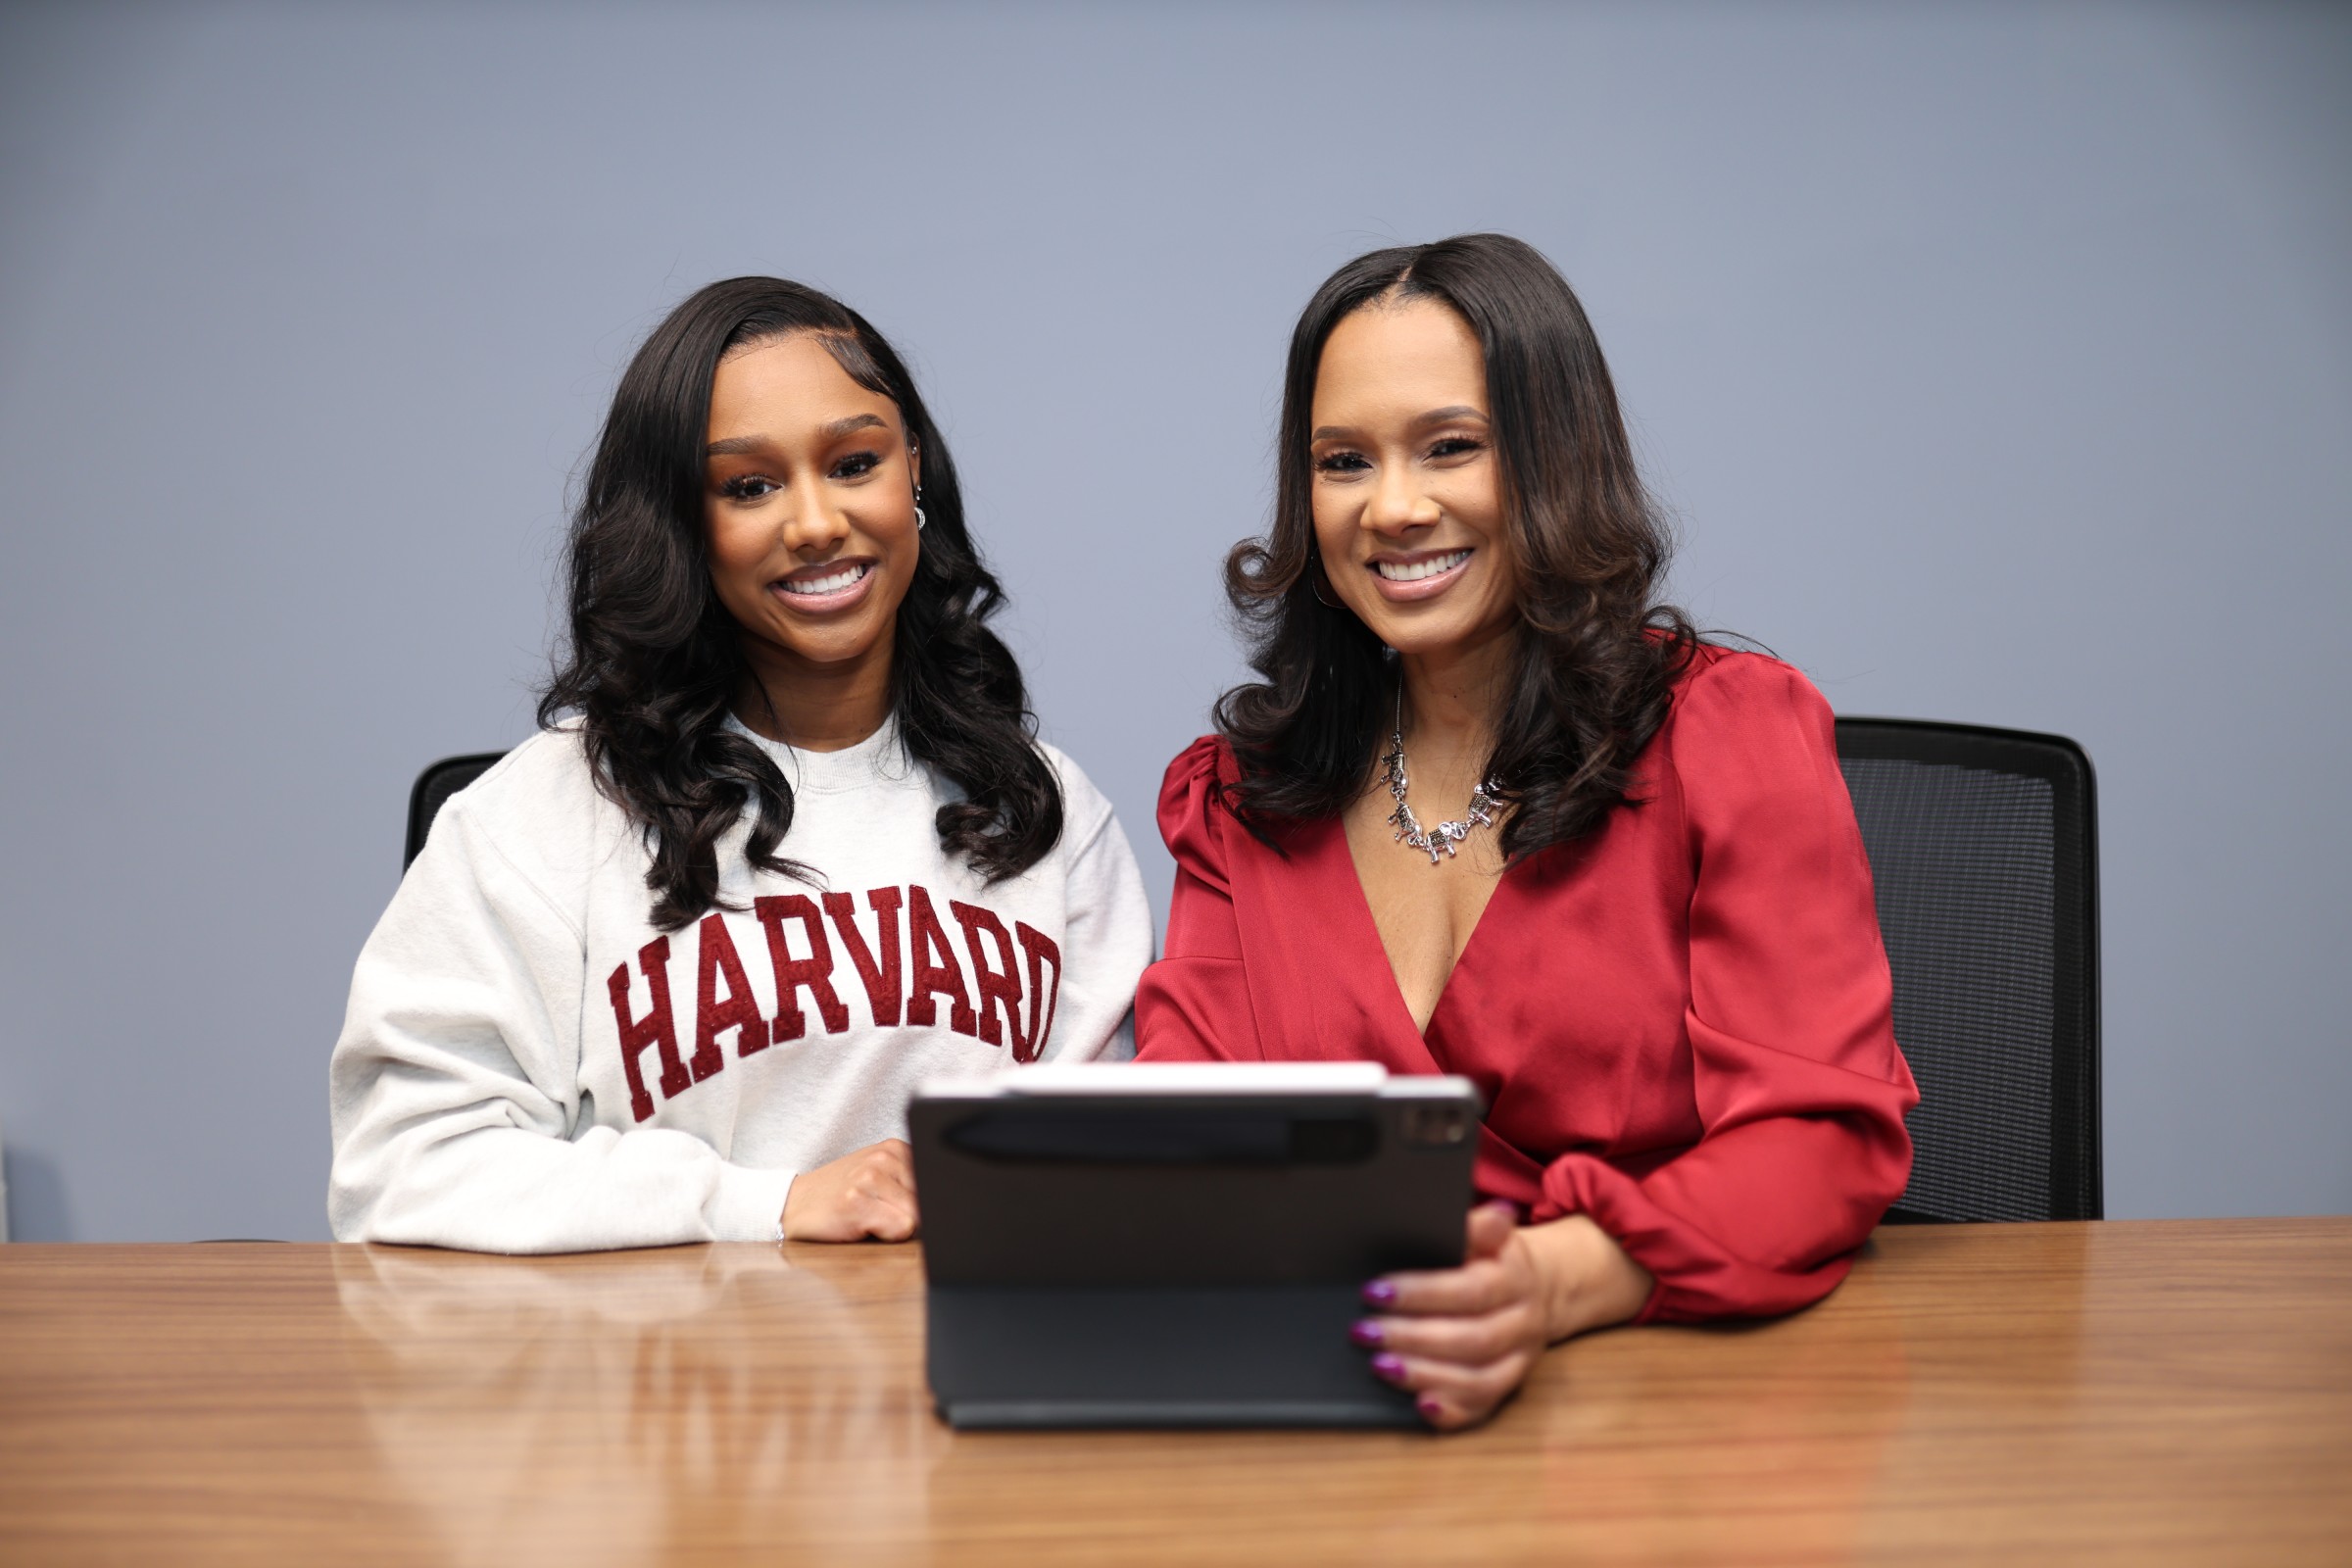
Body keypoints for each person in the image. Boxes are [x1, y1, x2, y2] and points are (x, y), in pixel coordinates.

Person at [1134, 234, 1918, 1429]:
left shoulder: (1729, 735)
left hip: (1679, 1410)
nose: (1395, 508)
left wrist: (1549, 1285)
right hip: (1347, 1395)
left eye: (1451, 446)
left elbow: (1817, 1138)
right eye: (1343, 462)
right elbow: (1191, 1143)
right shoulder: (1243, 798)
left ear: (1555, 458)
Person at [331, 277, 1153, 1253]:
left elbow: (1108, 1178)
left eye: (854, 463)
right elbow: (402, 1166)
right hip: (656, 1350)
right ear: (681, 524)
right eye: (749, 486)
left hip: (949, 1342)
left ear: (914, 476)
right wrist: (770, 1205)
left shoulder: (1046, 814)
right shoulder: (537, 818)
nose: (815, 522)